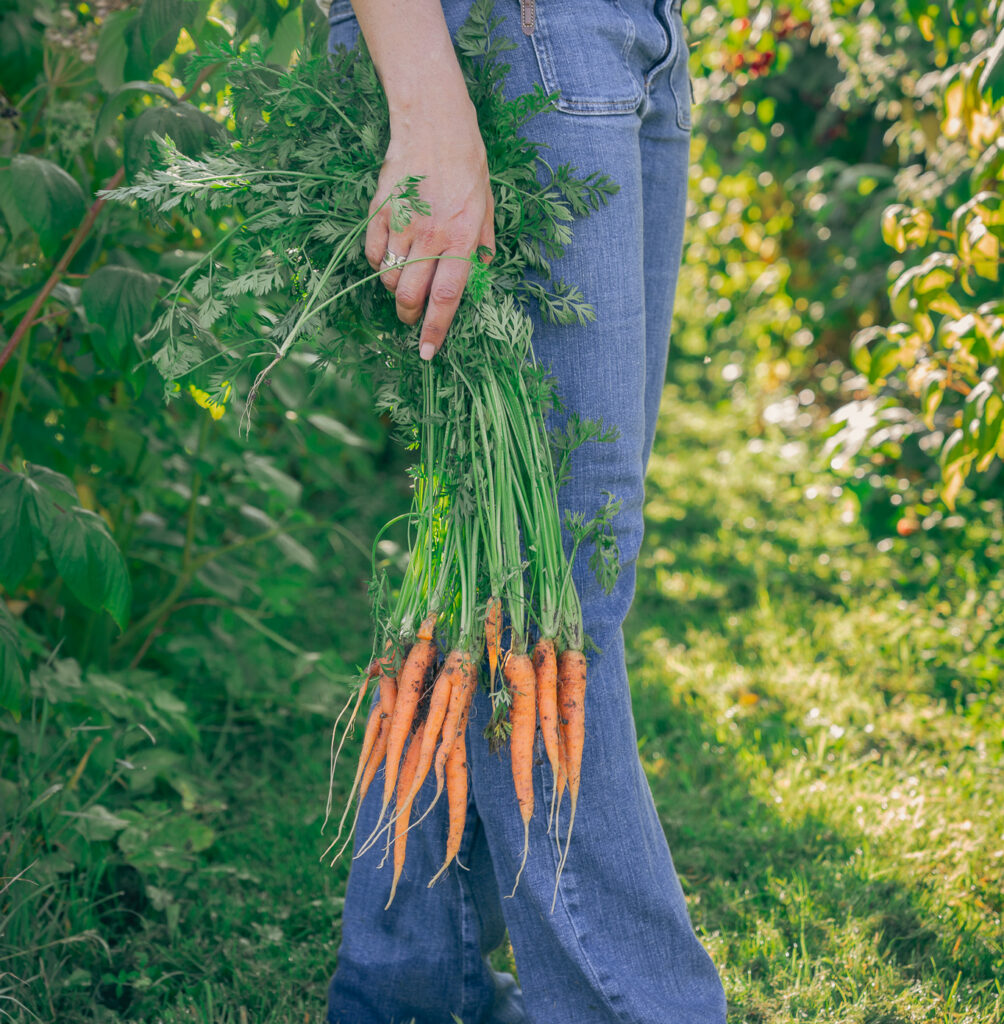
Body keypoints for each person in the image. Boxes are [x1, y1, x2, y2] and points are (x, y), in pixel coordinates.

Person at [324, 2, 728, 1022]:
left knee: (488, 566)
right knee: (546, 596)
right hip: (509, 31)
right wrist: (424, 103)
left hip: (625, 34)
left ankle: (411, 982)